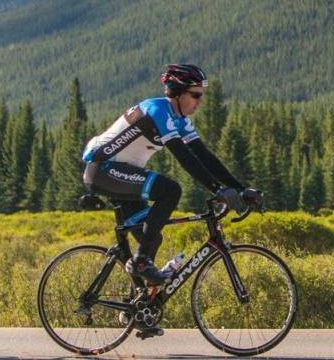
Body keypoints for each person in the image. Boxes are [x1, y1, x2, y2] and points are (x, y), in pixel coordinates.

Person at [82, 63, 263, 290]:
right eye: (195, 95)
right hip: (102, 170)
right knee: (170, 190)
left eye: (201, 96)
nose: (200, 101)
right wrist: (217, 189)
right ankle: (140, 262)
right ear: (177, 93)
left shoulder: (180, 119)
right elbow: (183, 157)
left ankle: (138, 307)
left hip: (120, 174)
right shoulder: (157, 110)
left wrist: (239, 188)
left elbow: (204, 156)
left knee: (152, 237)